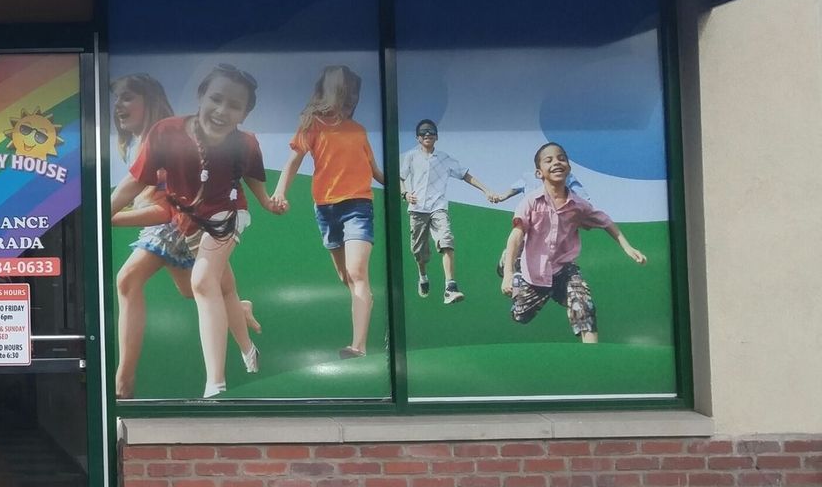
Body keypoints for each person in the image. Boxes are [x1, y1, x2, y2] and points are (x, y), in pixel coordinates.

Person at [111, 64, 285, 399]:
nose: (222, 111)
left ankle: (213, 385)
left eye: (234, 106)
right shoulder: (164, 134)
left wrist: (265, 202)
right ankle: (240, 318)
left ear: (244, 113)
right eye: (215, 99)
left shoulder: (242, 143)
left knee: (201, 282)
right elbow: (134, 184)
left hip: (221, 216)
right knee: (212, 290)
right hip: (186, 220)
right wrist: (103, 213)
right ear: (201, 96)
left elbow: (251, 177)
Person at [269, 65, 383, 359]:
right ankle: (363, 300)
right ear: (331, 94)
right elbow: (293, 162)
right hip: (326, 209)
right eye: (346, 94)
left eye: (354, 96)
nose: (350, 101)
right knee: (345, 276)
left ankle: (358, 346)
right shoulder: (314, 125)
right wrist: (280, 191)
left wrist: (403, 186)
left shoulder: (358, 131)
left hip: (358, 205)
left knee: (358, 272)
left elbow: (375, 172)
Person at [498, 142, 646, 344]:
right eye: (548, 160)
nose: (556, 163)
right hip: (533, 273)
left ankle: (592, 358)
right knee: (521, 315)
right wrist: (507, 275)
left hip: (563, 270)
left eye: (561, 158)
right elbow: (516, 235)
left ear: (568, 167)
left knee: (584, 307)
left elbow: (606, 222)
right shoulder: (531, 202)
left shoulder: (579, 205)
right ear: (539, 173)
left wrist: (627, 247)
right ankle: (513, 268)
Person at [399, 118, 498, 304]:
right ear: (418, 138)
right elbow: (401, 177)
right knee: (419, 252)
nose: (427, 135)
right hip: (417, 209)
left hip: (438, 207)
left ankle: (450, 287)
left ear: (436, 137)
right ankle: (423, 276)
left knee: (446, 240)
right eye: (423, 133)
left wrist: (486, 190)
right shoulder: (411, 157)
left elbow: (465, 175)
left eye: (431, 132)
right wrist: (405, 194)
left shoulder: (445, 159)